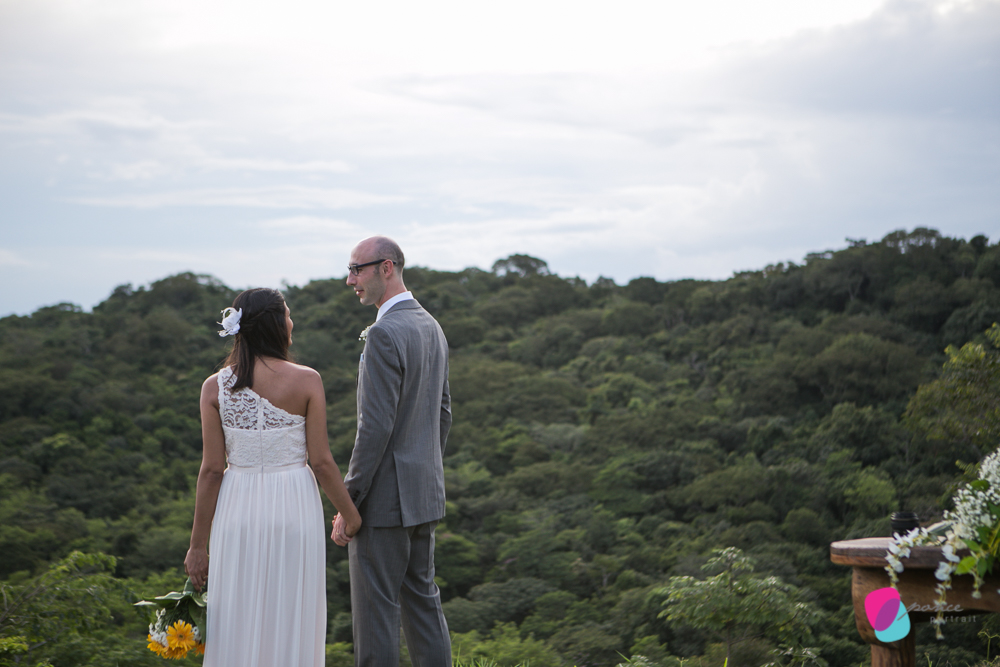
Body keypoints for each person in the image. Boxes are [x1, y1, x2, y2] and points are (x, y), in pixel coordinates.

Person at [184, 288, 362, 667]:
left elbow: (212, 470)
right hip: (294, 507)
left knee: (237, 615)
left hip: (237, 510)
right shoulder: (307, 380)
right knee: (291, 612)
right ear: (276, 325)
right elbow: (323, 463)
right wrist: (352, 515)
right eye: (288, 314)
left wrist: (198, 546)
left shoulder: (214, 387)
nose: (291, 322)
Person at [331, 236, 452, 667]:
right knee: (423, 605)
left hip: (383, 503)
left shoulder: (384, 333)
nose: (350, 280)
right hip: (424, 494)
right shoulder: (431, 325)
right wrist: (422, 471)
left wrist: (350, 501)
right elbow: (443, 414)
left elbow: (374, 428)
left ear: (387, 267)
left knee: (376, 614)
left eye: (357, 269)